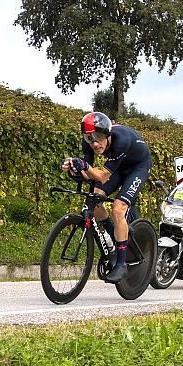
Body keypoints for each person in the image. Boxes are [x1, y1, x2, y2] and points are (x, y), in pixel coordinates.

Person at [61, 111, 152, 284]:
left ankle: (121, 264)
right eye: (90, 139)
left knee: (118, 209)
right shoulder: (89, 141)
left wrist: (84, 166)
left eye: (99, 138)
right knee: (95, 201)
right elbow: (86, 173)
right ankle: (114, 235)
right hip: (119, 168)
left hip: (137, 168)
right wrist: (73, 168)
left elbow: (101, 176)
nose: (94, 144)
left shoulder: (121, 141)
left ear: (108, 134)